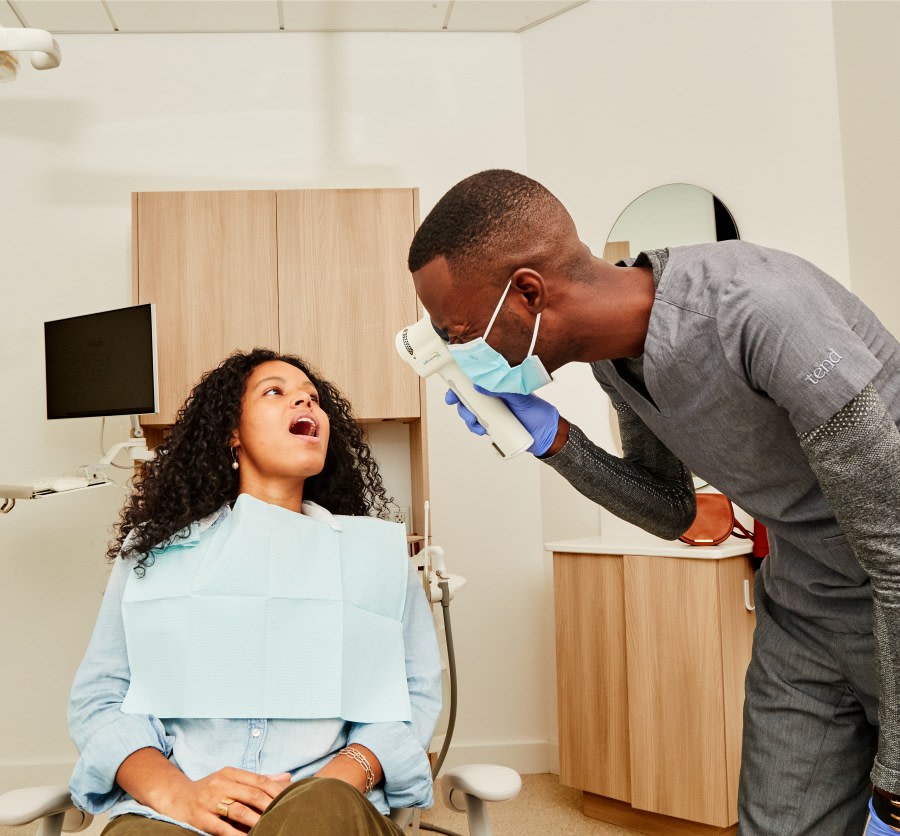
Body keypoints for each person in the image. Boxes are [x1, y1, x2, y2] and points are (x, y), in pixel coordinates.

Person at [408, 169, 900, 836]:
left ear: (527, 292)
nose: (463, 358)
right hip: (807, 609)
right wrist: (557, 443)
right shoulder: (617, 361)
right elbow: (671, 508)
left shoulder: (763, 310)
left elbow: (894, 548)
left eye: (461, 332)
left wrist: (896, 774)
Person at [68, 348, 441, 836]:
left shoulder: (375, 556)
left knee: (319, 811)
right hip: (180, 808)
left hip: (326, 804)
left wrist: (338, 779)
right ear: (233, 431)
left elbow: (411, 694)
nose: (305, 406)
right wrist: (177, 793)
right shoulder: (154, 555)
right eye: (276, 392)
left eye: (313, 399)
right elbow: (102, 697)